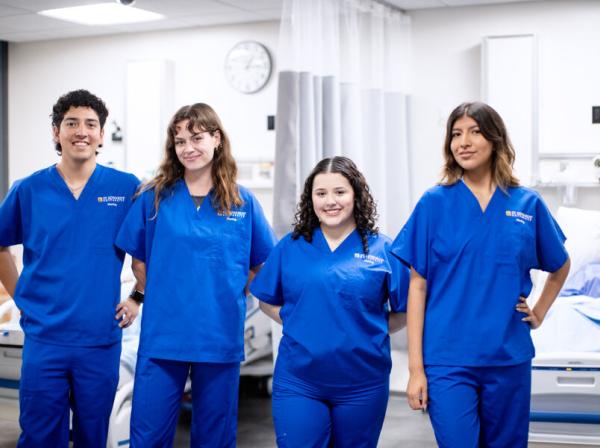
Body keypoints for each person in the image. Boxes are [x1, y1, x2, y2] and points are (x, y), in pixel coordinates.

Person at [392, 101, 571, 448]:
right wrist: (415, 369)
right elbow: (417, 285)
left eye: (474, 132)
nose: (464, 142)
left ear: (495, 140)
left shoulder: (526, 204)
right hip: (447, 359)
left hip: (507, 356)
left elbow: (560, 264)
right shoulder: (434, 203)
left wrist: (539, 311)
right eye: (456, 134)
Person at [115, 103, 276, 447]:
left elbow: (262, 265)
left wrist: (231, 291)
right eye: (180, 141)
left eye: (197, 138)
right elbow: (138, 262)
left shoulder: (242, 202)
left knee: (215, 437)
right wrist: (148, 295)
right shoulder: (154, 198)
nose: (188, 148)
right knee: (148, 434)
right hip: (163, 337)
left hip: (218, 337)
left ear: (217, 139)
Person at [0, 89, 143, 447]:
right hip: (45, 338)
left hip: (99, 339)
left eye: (91, 124)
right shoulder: (28, 190)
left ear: (101, 134)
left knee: (93, 436)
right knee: (39, 435)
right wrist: (21, 297)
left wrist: (138, 296)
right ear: (56, 132)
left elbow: (151, 249)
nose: (82, 131)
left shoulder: (125, 188)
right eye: (72, 123)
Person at [250, 156, 408, 448]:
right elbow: (265, 300)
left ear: (356, 195)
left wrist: (367, 329)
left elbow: (407, 310)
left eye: (340, 192)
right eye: (320, 193)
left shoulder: (383, 249)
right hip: (300, 380)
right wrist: (301, 321)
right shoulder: (291, 247)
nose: (330, 201)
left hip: (363, 383)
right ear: (311, 199)